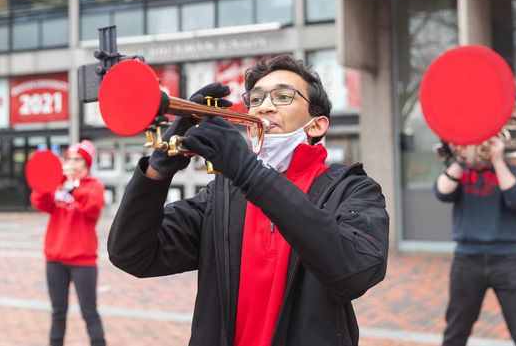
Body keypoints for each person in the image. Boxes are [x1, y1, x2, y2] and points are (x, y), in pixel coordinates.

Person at [107, 55, 389, 346]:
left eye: (283, 96)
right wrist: (156, 171)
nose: (264, 107)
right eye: (255, 100)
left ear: (316, 125)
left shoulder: (353, 189)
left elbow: (356, 271)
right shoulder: (223, 195)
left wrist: (248, 172)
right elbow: (131, 254)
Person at [435, 107, 516, 346]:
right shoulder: (460, 171)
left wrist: (497, 160)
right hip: (467, 259)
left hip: (510, 260)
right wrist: (462, 159)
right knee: (455, 331)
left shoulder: (514, 170)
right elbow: (441, 192)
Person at [30, 140, 106, 346]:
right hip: (55, 259)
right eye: (69, 158)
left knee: (89, 311)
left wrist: (73, 187)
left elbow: (93, 209)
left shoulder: (94, 186)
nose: (71, 163)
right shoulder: (59, 184)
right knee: (58, 311)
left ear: (87, 163)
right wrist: (49, 183)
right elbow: (39, 202)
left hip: (83, 260)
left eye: (77, 159)